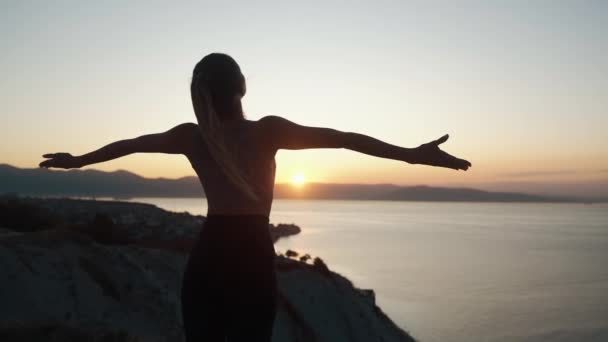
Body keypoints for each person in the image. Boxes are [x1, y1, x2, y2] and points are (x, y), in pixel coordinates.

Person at [39, 52, 471, 342]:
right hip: (250, 251)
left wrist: (78, 161)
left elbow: (130, 144)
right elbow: (345, 139)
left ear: (200, 94)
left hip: (209, 251)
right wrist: (413, 156)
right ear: (242, 85)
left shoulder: (192, 136)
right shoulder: (267, 130)